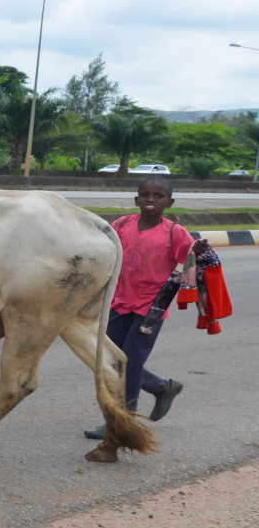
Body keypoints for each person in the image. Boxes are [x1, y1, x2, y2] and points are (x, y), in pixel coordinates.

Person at [84, 175, 210, 440]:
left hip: (150, 309)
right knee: (110, 361)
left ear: (169, 202)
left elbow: (191, 263)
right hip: (118, 303)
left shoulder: (174, 232)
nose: (151, 199)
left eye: (158, 196)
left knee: (128, 363)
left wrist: (196, 250)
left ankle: (122, 424)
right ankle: (162, 388)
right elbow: (102, 252)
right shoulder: (121, 225)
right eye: (145, 194)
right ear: (136, 198)